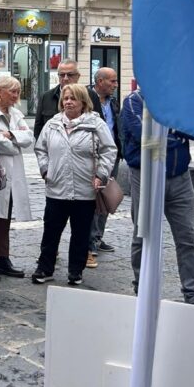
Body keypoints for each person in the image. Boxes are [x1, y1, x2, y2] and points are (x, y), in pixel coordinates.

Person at [122, 85, 194, 304]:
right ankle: (142, 288)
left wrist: (167, 131)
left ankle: (192, 294)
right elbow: (145, 136)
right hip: (145, 176)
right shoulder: (133, 102)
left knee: (187, 237)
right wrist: (176, 130)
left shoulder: (176, 98)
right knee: (143, 235)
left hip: (180, 177)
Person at [32, 83, 116, 286]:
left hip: (85, 189)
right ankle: (45, 268)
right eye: (66, 98)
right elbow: (41, 149)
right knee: (51, 232)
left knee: (81, 234)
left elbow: (109, 150)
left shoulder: (96, 124)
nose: (68, 102)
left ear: (83, 102)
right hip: (56, 188)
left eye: (73, 98)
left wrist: (101, 174)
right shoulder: (53, 124)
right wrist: (46, 170)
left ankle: (76, 271)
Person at [0, 76, 33, 279]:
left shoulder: (15, 113)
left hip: (12, 173)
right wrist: (15, 142)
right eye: (12, 91)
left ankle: (3, 257)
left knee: (5, 216)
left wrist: (11, 135)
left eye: (18, 92)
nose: (16, 95)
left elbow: (28, 138)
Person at [87, 67, 121, 266]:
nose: (115, 85)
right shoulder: (88, 99)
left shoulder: (113, 103)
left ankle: (98, 237)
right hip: (93, 156)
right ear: (100, 81)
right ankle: (90, 240)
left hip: (112, 156)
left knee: (107, 198)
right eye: (112, 81)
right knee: (93, 199)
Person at [33, 59, 83, 139]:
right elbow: (38, 129)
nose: (65, 78)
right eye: (62, 75)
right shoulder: (46, 97)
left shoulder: (89, 96)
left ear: (78, 76)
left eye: (70, 75)